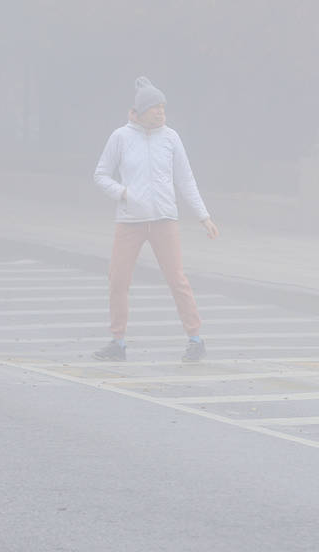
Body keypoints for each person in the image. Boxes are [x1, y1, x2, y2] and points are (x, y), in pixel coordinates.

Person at [92, 76, 219, 362]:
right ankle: (118, 342)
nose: (160, 112)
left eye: (163, 107)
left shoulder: (171, 138)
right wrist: (122, 193)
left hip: (164, 220)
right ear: (138, 112)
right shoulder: (120, 137)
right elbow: (100, 174)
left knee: (177, 280)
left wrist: (204, 216)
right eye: (154, 107)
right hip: (130, 222)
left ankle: (195, 339)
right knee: (118, 280)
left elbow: (185, 180)